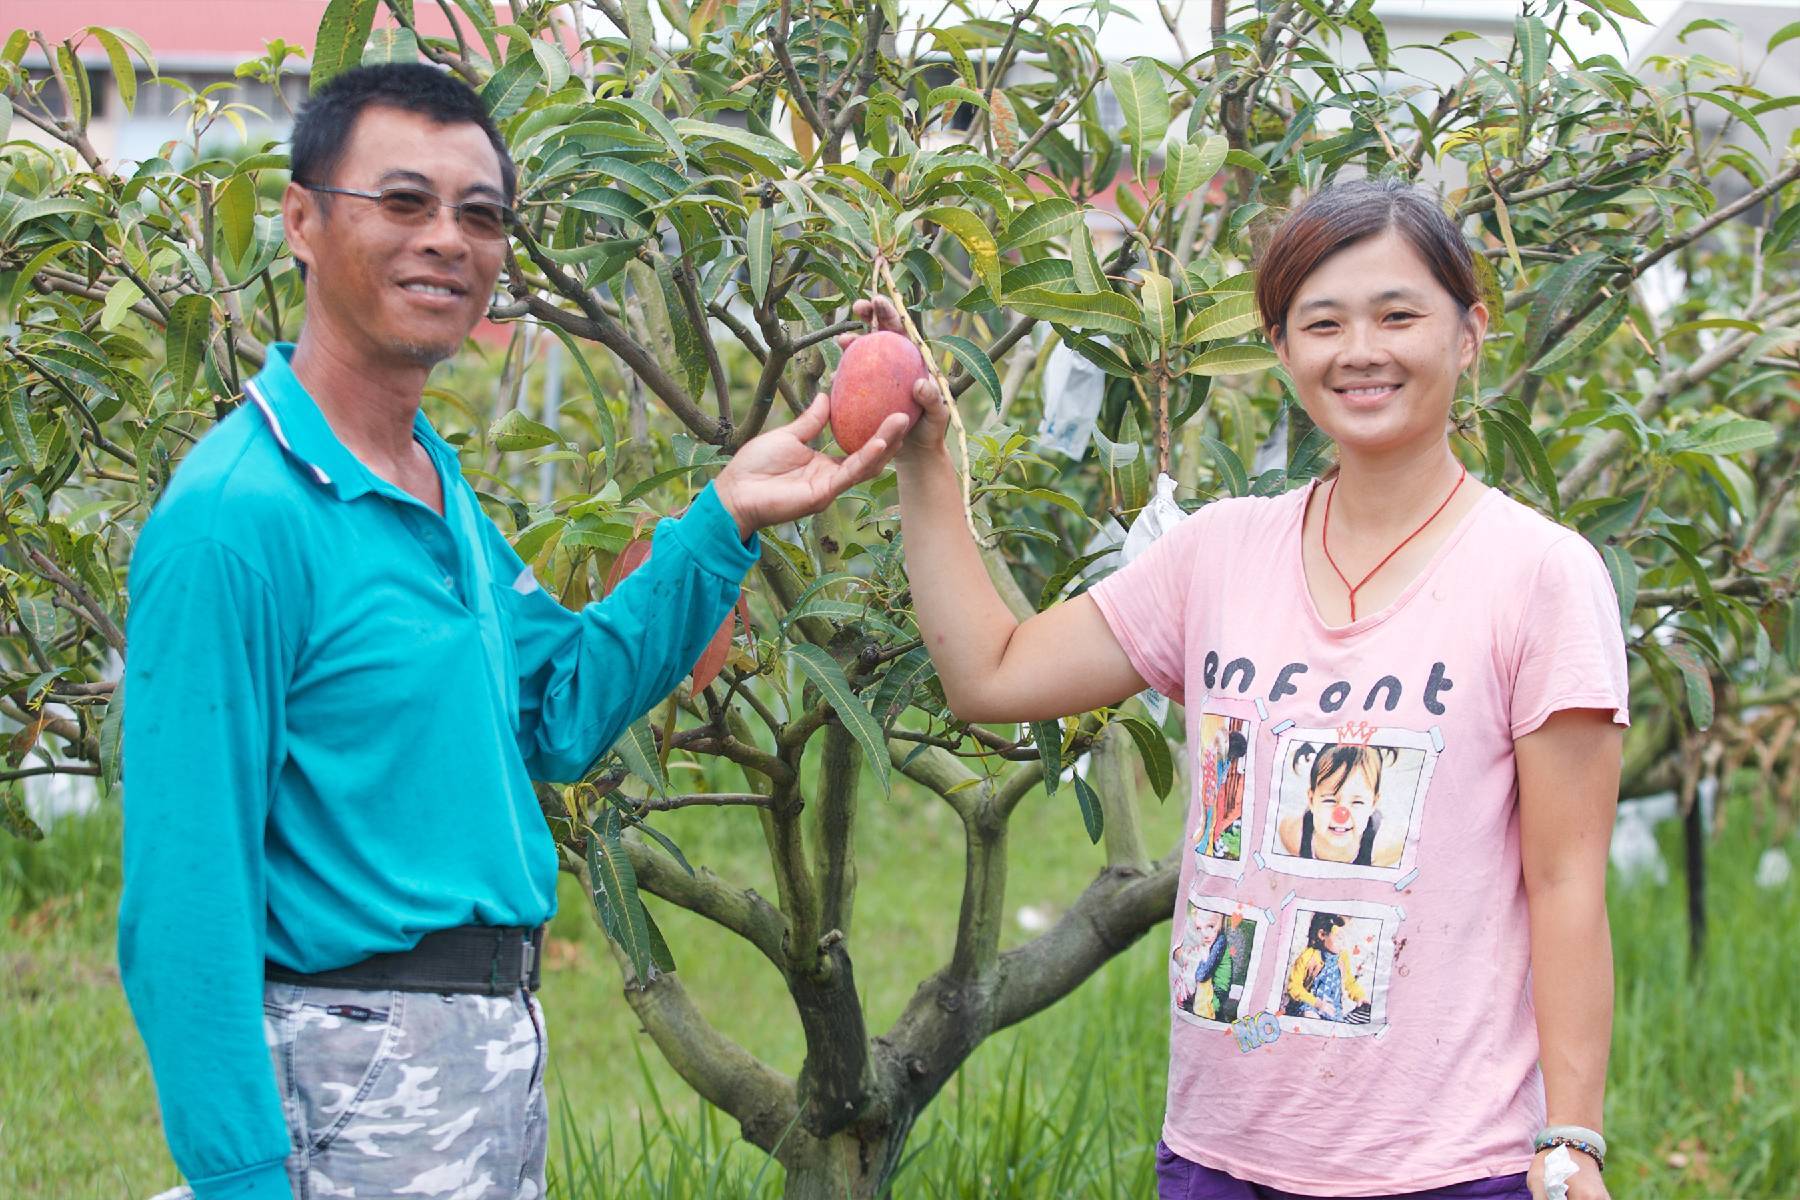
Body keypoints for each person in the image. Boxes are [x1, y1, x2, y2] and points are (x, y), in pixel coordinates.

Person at [120, 65, 910, 1200]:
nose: (448, 239)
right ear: (300, 220)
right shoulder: (235, 522)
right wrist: (243, 1179)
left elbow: (559, 712)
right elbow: (183, 906)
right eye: (403, 203)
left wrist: (726, 515)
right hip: (349, 1071)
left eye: (479, 215)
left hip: (481, 1062)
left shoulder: (430, 484)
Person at [867, 177, 1627, 1199]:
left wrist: (1571, 1133)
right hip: (1222, 1159)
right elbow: (990, 671)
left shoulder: (1540, 575)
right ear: (1280, 349)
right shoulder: (1218, 554)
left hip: (1451, 1165)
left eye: (1399, 315)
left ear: (1470, 330)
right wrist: (926, 460)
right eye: (1322, 323)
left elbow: (1567, 883)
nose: (1361, 350)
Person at [1277, 742, 1394, 865]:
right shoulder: (1292, 836)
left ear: (1373, 804)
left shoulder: (1385, 848)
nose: (1341, 816)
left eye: (1357, 802)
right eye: (1330, 800)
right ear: (1311, 800)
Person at [1282, 912, 1371, 1021]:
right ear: (1322, 935)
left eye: (1344, 939)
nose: (1343, 943)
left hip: (1333, 1009)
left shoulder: (1342, 957)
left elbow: (1349, 982)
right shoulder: (1307, 957)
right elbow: (1294, 987)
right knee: (1309, 1016)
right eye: (1339, 938)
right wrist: (1317, 1003)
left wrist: (1360, 996)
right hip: (1310, 1004)